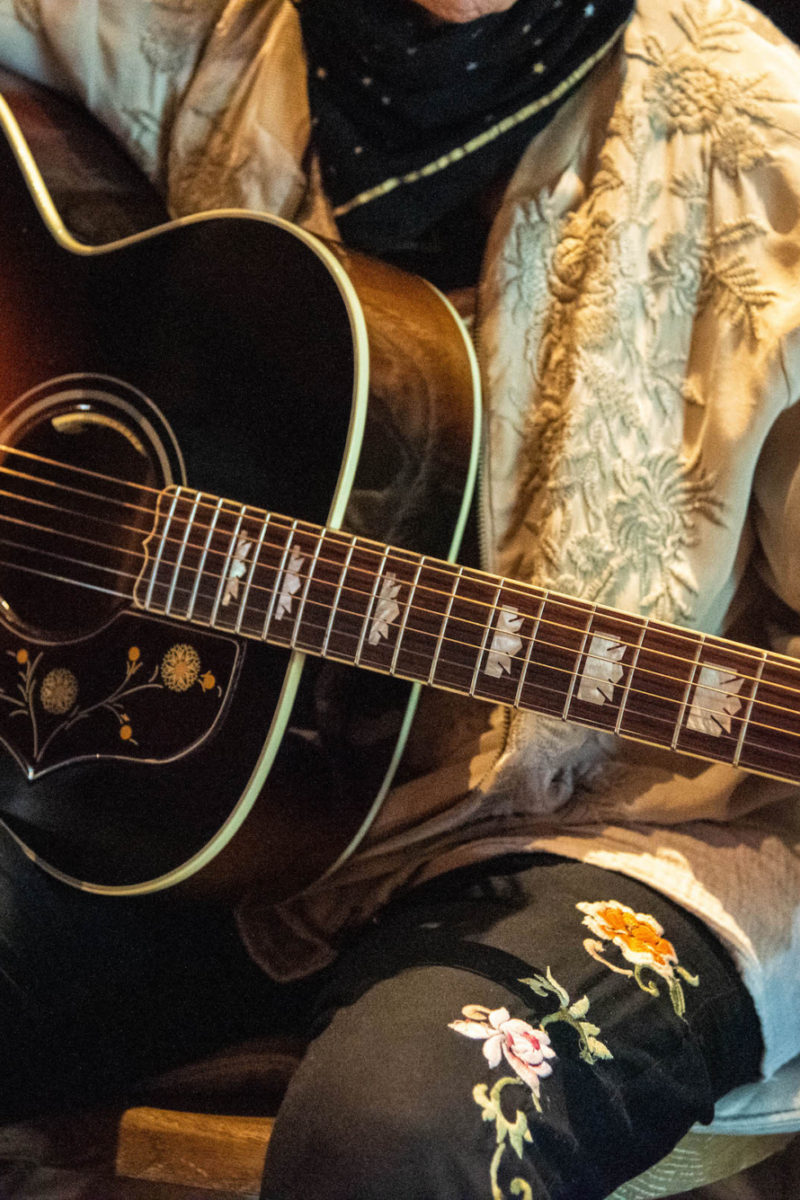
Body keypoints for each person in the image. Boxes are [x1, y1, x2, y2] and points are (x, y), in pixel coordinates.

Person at [1, 0, 800, 1197]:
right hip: (207, 799)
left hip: (626, 830)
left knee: (398, 1135)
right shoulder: (212, 26)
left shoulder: (762, 146)